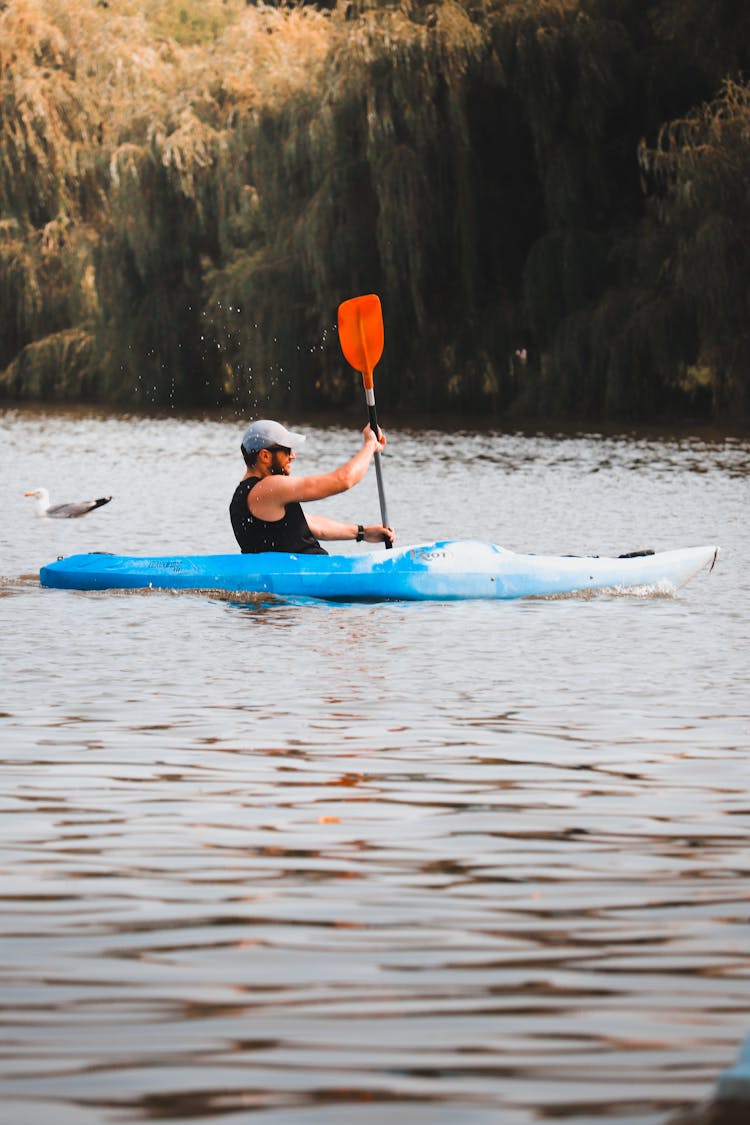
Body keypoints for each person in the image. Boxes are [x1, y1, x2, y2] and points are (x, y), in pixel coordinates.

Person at [229, 419, 395, 554]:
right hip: (309, 579)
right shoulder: (269, 487)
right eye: (287, 450)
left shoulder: (242, 497)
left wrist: (362, 532)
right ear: (265, 456)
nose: (293, 456)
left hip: (286, 580)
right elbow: (343, 480)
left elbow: (310, 525)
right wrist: (370, 446)